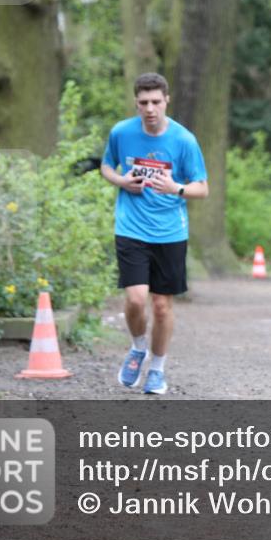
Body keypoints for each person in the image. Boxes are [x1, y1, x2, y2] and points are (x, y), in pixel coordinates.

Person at [100, 73, 208, 395]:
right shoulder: (122, 132)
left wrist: (176, 188)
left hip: (170, 232)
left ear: (166, 101)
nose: (150, 109)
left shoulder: (184, 140)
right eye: (144, 102)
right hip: (131, 227)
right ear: (136, 103)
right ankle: (137, 348)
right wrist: (121, 181)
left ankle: (158, 369)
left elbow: (202, 188)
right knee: (135, 299)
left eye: (156, 102)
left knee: (162, 306)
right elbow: (106, 166)